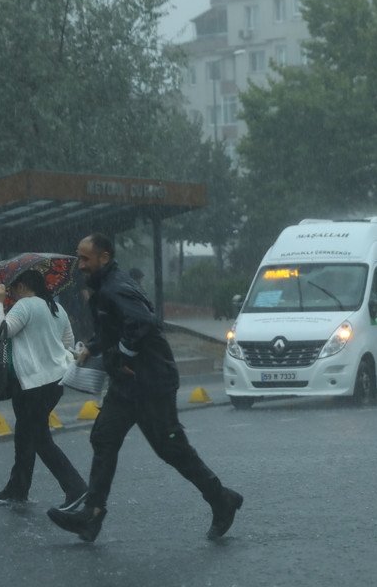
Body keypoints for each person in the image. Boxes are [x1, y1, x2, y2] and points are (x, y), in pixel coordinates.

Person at [46, 233, 242, 543]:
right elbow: (116, 328)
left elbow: (143, 323)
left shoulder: (115, 287)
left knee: (171, 448)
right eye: (79, 257)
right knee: (103, 437)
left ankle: (221, 499)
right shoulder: (104, 288)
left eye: (86, 258)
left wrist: (124, 354)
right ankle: (92, 515)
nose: (80, 265)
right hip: (129, 383)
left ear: (105, 257)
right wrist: (94, 347)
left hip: (152, 382)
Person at [0, 269, 88, 508]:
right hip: (53, 382)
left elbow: (0, 331)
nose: (10, 293)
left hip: (33, 383)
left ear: (22, 286)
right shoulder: (56, 308)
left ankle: (76, 487)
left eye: (12, 288)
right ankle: (18, 488)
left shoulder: (25, 306)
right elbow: (68, 344)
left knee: (39, 438)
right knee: (24, 434)